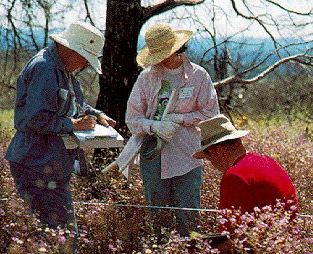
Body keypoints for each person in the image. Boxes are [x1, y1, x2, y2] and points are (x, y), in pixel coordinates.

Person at [5, 21, 115, 253]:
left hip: (49, 165)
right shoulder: (45, 69)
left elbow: (77, 103)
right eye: (85, 58)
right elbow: (35, 118)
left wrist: (98, 115)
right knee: (60, 235)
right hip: (35, 164)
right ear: (73, 50)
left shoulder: (63, 70)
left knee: (57, 234)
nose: (85, 64)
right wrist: (73, 124)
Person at [119, 22, 220, 239]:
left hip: (188, 156)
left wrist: (182, 119)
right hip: (153, 156)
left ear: (177, 49)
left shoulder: (199, 76)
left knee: (189, 215)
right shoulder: (147, 77)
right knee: (158, 216)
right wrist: (153, 126)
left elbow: (211, 114)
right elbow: (132, 118)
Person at [192, 114, 298, 252]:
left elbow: (238, 241)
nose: (210, 163)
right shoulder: (268, 161)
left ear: (212, 151)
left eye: (207, 157)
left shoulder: (234, 176)